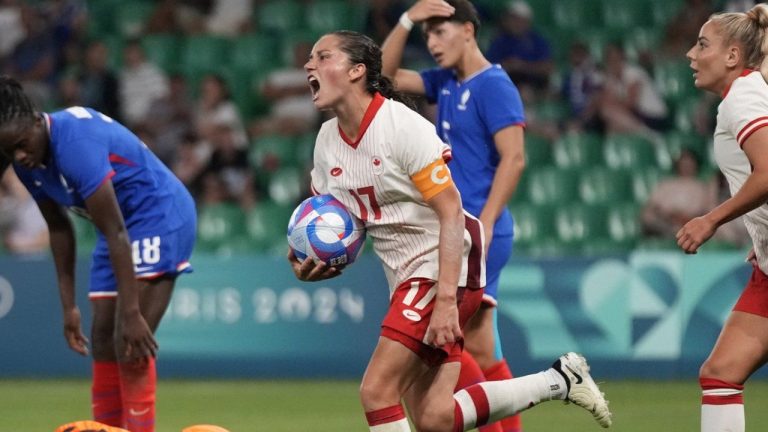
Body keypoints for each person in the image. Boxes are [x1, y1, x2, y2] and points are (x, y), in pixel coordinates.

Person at [289, 29, 611, 431]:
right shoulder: (326, 142)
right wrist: (313, 254)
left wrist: (445, 300)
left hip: (444, 264)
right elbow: (339, 219)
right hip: (405, 275)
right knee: (434, 417)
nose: (308, 65)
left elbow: (452, 212)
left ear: (356, 71)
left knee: (377, 391)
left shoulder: (401, 127)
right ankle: (560, 380)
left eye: (323, 57)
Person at [0, 75, 196, 432]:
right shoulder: (28, 163)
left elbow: (118, 229)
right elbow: (59, 230)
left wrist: (133, 310)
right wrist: (68, 306)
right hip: (114, 229)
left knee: (129, 340)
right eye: (10, 151)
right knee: (103, 339)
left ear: (35, 119)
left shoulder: (75, 142)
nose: (20, 156)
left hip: (158, 216)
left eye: (22, 144)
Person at [380, 1, 527, 430]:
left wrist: (486, 221)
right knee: (482, 354)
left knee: (444, 343)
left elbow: (513, 159)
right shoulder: (445, 81)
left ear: (468, 30)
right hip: (460, 232)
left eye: (440, 32)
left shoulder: (494, 85)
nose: (432, 42)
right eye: (427, 35)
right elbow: (384, 77)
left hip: (476, 232)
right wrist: (407, 19)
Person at [676, 4, 768, 431]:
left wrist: (710, 220)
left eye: (702, 45)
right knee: (721, 372)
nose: (691, 55)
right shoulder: (750, 90)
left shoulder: (745, 97)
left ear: (733, 56)